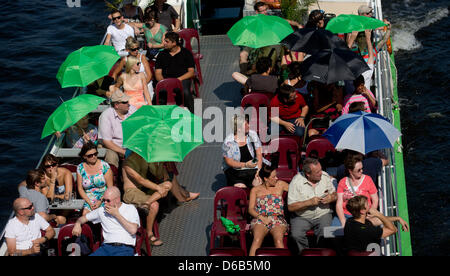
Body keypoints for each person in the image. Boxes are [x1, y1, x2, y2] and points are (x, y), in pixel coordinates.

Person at [122, 151, 200, 246]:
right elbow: (140, 180)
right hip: (132, 192)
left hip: (145, 191)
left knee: (168, 184)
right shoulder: (128, 162)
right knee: (154, 205)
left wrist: (161, 163)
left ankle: (147, 203)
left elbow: (160, 176)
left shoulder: (145, 159)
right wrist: (158, 188)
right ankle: (150, 234)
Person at [288, 158, 337, 254]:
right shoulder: (296, 182)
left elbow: (335, 194)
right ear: (308, 174)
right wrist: (309, 202)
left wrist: (331, 198)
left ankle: (321, 253)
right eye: (317, 172)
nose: (321, 173)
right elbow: (291, 207)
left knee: (325, 234)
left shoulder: (325, 177)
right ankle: (305, 253)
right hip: (302, 216)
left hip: (323, 213)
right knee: (296, 235)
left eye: (321, 170)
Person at [72, 186, 140, 256]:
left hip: (124, 248)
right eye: (104, 200)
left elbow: (133, 230)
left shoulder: (130, 208)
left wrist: (116, 215)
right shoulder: (102, 210)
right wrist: (78, 224)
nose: (105, 203)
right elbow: (83, 218)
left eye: (108, 200)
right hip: (106, 248)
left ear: (117, 199)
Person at [344, 195, 409, 254]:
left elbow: (375, 221)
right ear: (362, 211)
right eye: (367, 204)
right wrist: (378, 214)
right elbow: (393, 230)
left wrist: (397, 218)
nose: (370, 205)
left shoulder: (351, 221)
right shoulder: (367, 230)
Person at [248, 164, 289, 256]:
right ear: (266, 179)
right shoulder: (255, 190)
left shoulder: (280, 184)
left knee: (278, 240)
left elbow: (295, 190)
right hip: (261, 218)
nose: (276, 178)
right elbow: (250, 209)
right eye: (273, 177)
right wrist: (261, 218)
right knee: (257, 239)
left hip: (278, 218)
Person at [155, 31, 196, 112]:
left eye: (166, 41)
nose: (164, 43)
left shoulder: (186, 53)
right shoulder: (161, 55)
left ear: (174, 43)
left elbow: (191, 72)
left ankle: (192, 114)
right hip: (166, 81)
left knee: (185, 93)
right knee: (159, 94)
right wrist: (163, 82)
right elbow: (158, 73)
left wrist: (178, 80)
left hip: (181, 79)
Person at [335, 153, 379, 227]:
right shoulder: (342, 182)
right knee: (334, 232)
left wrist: (369, 214)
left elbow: (375, 200)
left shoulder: (368, 180)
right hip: (346, 215)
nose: (361, 171)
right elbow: (339, 204)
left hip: (363, 215)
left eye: (362, 168)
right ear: (350, 171)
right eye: (358, 170)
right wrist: (343, 221)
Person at [223, 115, 265, 189]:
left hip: (253, 168)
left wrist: (258, 170)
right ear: (239, 129)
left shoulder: (253, 134)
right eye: (246, 124)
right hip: (235, 171)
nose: (249, 125)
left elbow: (259, 154)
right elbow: (229, 162)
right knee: (240, 188)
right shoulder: (228, 142)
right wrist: (246, 165)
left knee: (259, 185)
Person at [98, 89, 137, 168]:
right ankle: (112, 179)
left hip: (132, 146)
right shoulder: (106, 115)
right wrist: (125, 152)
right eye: (125, 102)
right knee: (112, 157)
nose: (128, 104)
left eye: (127, 101)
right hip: (113, 147)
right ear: (116, 105)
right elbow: (107, 142)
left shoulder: (133, 110)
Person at [77, 141, 114, 216]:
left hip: (104, 196)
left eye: (95, 154)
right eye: (90, 155)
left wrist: (100, 201)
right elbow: (80, 189)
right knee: (85, 214)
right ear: (84, 156)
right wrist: (89, 202)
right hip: (88, 198)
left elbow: (110, 188)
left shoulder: (104, 166)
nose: (93, 156)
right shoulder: (80, 168)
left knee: (104, 213)